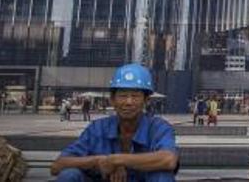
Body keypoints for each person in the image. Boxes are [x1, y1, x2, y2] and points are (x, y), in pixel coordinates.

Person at [49, 63, 179, 182]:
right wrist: (99, 161)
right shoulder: (97, 129)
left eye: (135, 96)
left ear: (146, 101)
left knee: (162, 176)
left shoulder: (158, 128)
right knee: (69, 175)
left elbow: (168, 160)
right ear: (112, 100)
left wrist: (116, 160)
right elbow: (57, 166)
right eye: (122, 95)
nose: (128, 102)